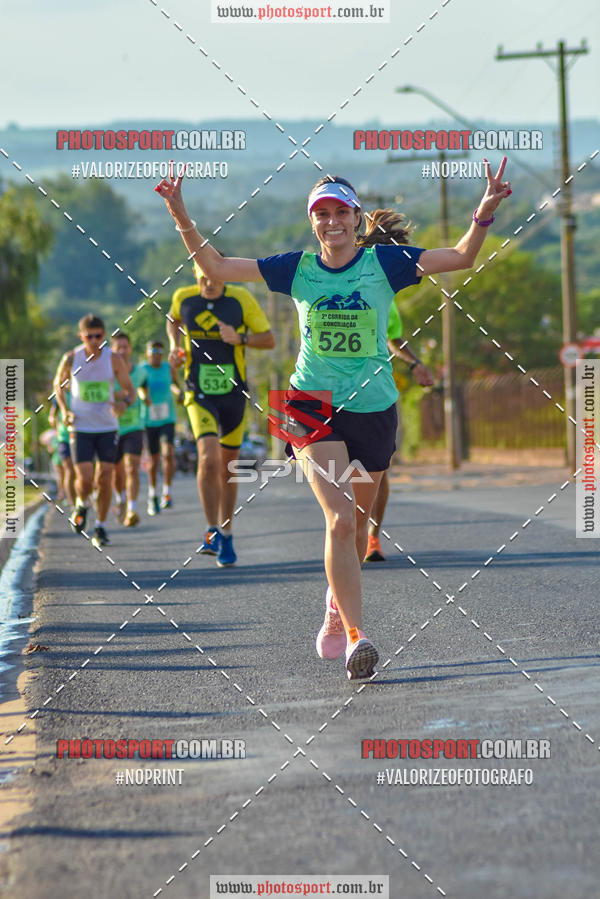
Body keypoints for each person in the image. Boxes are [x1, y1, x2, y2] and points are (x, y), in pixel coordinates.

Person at [155, 158, 510, 679]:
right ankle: (357, 637)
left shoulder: (384, 265)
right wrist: (179, 210)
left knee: (361, 522)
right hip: (306, 403)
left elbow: (459, 257)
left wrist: (484, 208)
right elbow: (218, 267)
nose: (331, 221)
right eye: (321, 213)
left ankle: (333, 602)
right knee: (340, 521)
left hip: (373, 405)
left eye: (340, 211)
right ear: (313, 221)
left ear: (355, 216)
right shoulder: (296, 268)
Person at [167, 261, 275, 566]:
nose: (208, 284)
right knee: (208, 457)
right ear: (195, 275)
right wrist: (177, 347)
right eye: (203, 278)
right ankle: (211, 529)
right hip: (197, 391)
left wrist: (239, 338)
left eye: (214, 278)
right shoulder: (184, 298)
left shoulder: (241, 300)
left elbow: (269, 339)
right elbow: (173, 320)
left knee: (228, 468)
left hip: (233, 393)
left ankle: (227, 533)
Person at [359, 212, 435, 563]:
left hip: (374, 392)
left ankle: (372, 536)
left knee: (379, 469)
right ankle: (350, 530)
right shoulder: (327, 284)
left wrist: (416, 363)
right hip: (328, 392)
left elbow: (394, 340)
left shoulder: (383, 297)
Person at [54, 314, 136, 548]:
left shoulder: (114, 360)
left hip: (108, 427)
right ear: (81, 336)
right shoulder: (71, 358)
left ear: (104, 335)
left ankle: (100, 526)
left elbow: (130, 391)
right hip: (81, 427)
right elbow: (57, 387)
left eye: (99, 336)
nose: (94, 340)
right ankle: (81, 503)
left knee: (106, 476)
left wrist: (125, 404)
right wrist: (64, 410)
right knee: (85, 478)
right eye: (89, 336)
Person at [110, 331, 149, 527]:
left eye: (125, 347)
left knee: (132, 466)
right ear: (112, 350)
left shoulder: (140, 372)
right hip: (113, 426)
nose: (122, 351)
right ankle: (121, 498)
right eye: (118, 348)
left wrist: (146, 397)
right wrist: (120, 395)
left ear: (130, 348)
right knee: (116, 472)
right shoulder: (108, 371)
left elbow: (144, 387)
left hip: (135, 425)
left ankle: (132, 508)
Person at [141, 340, 181, 516]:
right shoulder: (143, 369)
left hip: (167, 418)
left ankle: (167, 491)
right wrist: (144, 397)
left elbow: (174, 383)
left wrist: (179, 393)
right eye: (153, 351)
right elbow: (140, 387)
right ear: (147, 353)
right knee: (154, 459)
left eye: (159, 351)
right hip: (149, 420)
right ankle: (152, 494)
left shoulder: (167, 368)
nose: (156, 354)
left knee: (169, 453)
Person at [48, 399, 76, 508]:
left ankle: (81, 497)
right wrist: (56, 424)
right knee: (69, 471)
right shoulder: (60, 393)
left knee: (80, 472)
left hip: (81, 435)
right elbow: (52, 416)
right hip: (65, 438)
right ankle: (72, 503)